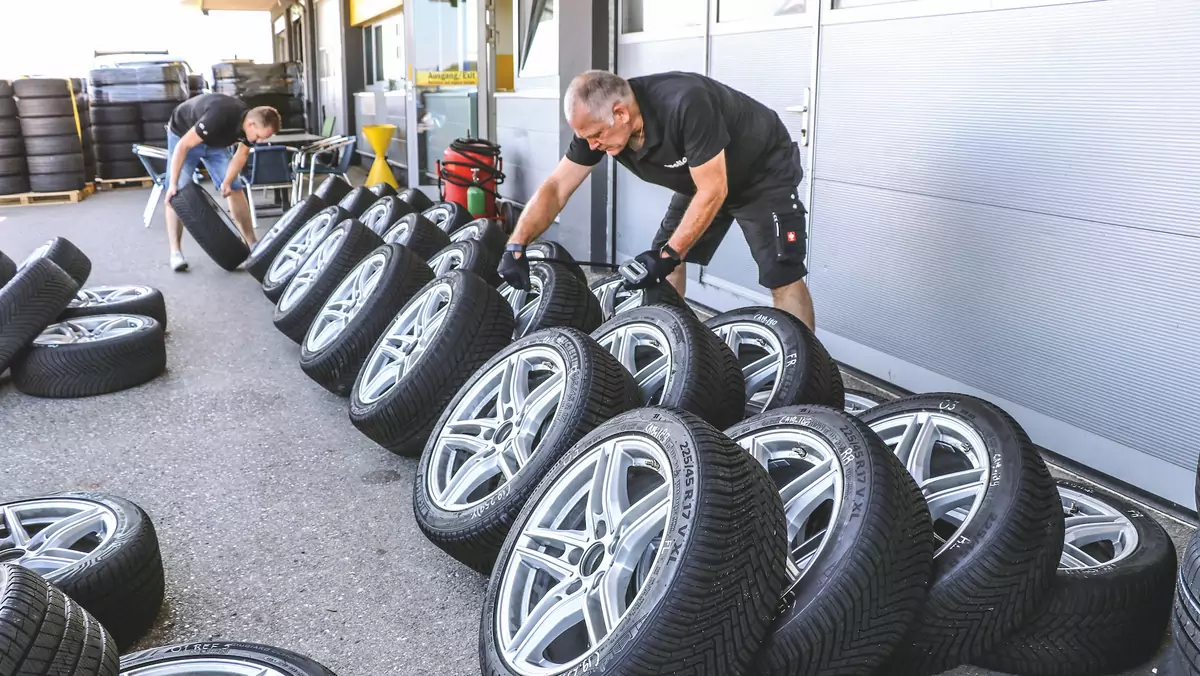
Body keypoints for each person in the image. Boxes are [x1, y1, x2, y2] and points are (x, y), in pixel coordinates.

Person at [497, 70, 815, 331]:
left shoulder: (685, 102)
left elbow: (714, 190)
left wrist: (669, 253)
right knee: (663, 265)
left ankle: (809, 370)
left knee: (782, 273)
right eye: (587, 139)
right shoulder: (596, 130)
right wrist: (517, 244)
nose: (592, 146)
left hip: (761, 173)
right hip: (702, 180)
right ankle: (670, 340)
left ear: (620, 113)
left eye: (596, 136)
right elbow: (556, 187)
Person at [163, 93, 281, 271]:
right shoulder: (218, 117)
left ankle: (252, 243)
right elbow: (183, 146)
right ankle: (175, 252)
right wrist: (172, 183)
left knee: (235, 187)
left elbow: (240, 156)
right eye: (258, 137)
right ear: (251, 124)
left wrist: (226, 182)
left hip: (215, 143)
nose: (260, 141)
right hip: (184, 135)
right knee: (176, 194)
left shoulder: (247, 128)